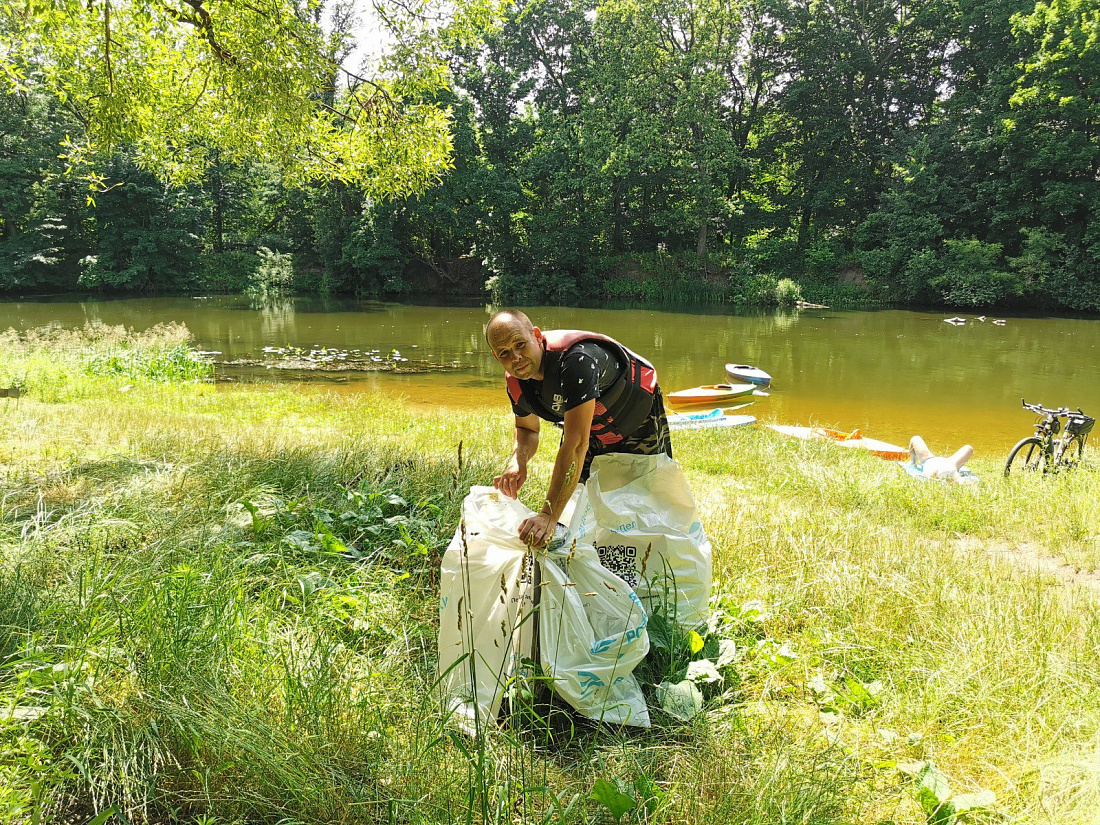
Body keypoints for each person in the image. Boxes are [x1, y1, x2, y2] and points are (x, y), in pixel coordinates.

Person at [485, 310, 672, 548]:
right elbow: (527, 430)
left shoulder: (576, 362)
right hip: (587, 424)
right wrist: (518, 461)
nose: (516, 358)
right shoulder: (516, 383)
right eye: (504, 353)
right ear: (496, 356)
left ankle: (654, 561)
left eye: (520, 344)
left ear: (536, 336)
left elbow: (574, 445)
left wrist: (548, 515)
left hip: (635, 415)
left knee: (644, 502)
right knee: (579, 506)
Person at [907, 435, 975, 481]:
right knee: (969, 448)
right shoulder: (951, 469)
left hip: (930, 461)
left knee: (915, 438)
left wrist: (913, 463)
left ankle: (912, 462)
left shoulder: (929, 472)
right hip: (948, 463)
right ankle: (912, 462)